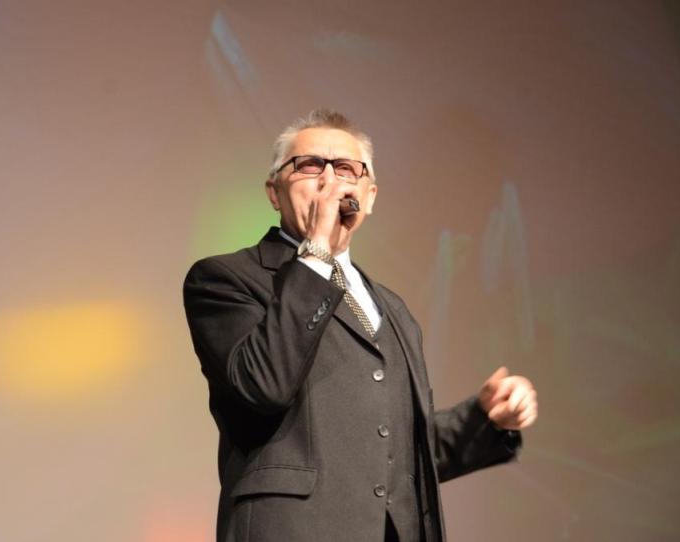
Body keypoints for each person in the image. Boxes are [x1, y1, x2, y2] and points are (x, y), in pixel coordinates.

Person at [183, 109, 538, 542]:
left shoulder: (393, 308)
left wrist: (485, 419)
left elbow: (395, 456)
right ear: (274, 192)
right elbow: (262, 387)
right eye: (310, 165)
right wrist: (317, 253)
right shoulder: (226, 279)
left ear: (368, 197)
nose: (329, 180)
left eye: (346, 169)